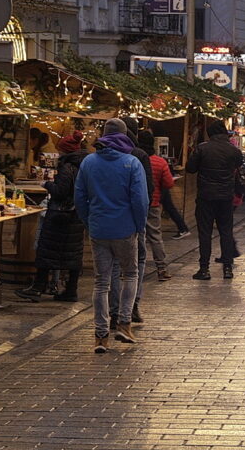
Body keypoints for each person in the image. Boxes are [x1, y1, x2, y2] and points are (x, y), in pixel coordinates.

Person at [75, 119, 149, 353]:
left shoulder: (89, 162)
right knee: (130, 274)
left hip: (99, 228)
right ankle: (124, 324)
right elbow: (140, 200)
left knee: (101, 282)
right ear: (125, 136)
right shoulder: (132, 163)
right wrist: (139, 226)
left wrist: (89, 222)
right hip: (126, 228)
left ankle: (100, 335)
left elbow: (79, 197)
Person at [15, 131, 88, 303]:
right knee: (73, 254)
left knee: (46, 251)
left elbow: (61, 191)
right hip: (75, 215)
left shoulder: (66, 167)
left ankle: (38, 287)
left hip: (60, 215)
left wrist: (46, 184)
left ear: (65, 151)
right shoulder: (83, 166)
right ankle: (71, 290)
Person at [188, 120, 243, 280]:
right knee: (226, 231)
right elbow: (238, 164)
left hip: (206, 196)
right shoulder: (233, 150)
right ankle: (227, 268)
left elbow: (190, 168)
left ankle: (204, 269)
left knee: (205, 233)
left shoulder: (202, 149)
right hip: (226, 197)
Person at [112, 117, 153, 324]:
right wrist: (140, 219)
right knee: (137, 262)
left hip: (106, 220)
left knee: (111, 268)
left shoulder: (98, 157)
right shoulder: (138, 155)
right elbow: (146, 191)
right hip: (132, 219)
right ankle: (132, 305)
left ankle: (112, 311)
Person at [138, 130, 174, 282]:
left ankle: (130, 269)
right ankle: (162, 268)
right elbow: (168, 183)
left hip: (136, 204)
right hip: (153, 203)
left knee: (136, 236)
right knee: (155, 236)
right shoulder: (160, 162)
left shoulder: (135, 159)